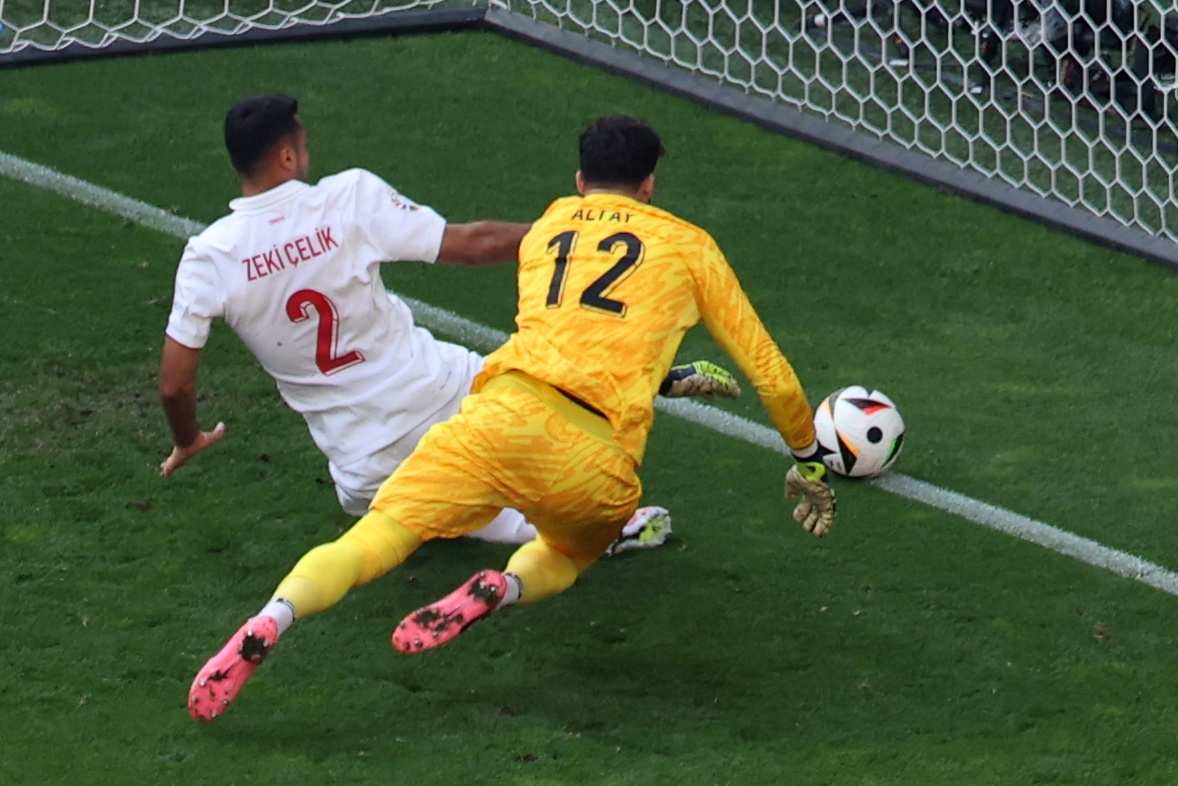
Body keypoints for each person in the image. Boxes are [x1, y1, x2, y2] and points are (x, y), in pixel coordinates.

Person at [185, 114, 835, 723]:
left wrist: (660, 375)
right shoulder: (690, 246)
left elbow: (562, 333)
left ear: (579, 182)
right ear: (650, 185)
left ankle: (275, 615)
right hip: (595, 458)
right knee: (565, 551)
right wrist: (807, 458)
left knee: (373, 539)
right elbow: (771, 372)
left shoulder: (551, 226)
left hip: (495, 418)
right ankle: (501, 586)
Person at [158, 94, 739, 552]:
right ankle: (608, 478)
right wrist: (576, 238)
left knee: (423, 508)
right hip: (453, 397)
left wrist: (189, 441)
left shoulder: (210, 257)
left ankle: (510, 521)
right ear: (287, 156)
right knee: (547, 381)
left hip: (364, 471)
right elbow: (473, 244)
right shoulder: (346, 198)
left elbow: (175, 384)